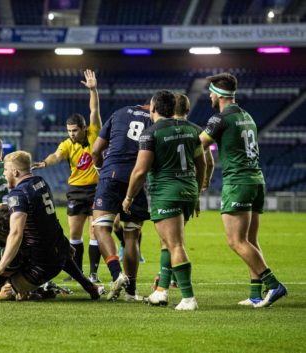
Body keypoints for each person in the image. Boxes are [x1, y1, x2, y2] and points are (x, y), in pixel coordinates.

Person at [199, 73, 287, 308]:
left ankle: (273, 284)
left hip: (238, 182)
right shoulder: (246, 116)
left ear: (218, 94)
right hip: (256, 181)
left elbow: (199, 145)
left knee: (236, 241)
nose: (208, 94)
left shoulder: (220, 118)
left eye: (211, 91)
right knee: (250, 240)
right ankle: (256, 294)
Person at [123, 90, 206, 311]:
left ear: (154, 108)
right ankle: (160, 291)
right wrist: (197, 193)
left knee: (175, 244)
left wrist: (129, 197)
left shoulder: (151, 133)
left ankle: (188, 298)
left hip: (166, 194)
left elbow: (140, 171)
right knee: (169, 242)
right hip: (188, 192)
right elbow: (203, 165)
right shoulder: (193, 130)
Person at [0, 151, 102, 300]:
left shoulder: (18, 195)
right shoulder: (40, 182)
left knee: (1, 288)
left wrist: (0, 267)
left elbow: (16, 233)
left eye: (6, 170)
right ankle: (89, 286)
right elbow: (48, 220)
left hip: (42, 265)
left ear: (15, 171)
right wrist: (65, 244)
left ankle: (36, 292)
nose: (4, 174)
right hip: (60, 251)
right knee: (54, 250)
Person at [31, 69, 102, 283]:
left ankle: (94, 273)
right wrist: (44, 162)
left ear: (83, 128)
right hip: (76, 191)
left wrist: (93, 90)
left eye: (74, 130)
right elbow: (57, 155)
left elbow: (94, 110)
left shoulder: (93, 133)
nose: (71, 134)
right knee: (74, 234)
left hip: (96, 188)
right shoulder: (67, 144)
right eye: (69, 130)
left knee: (95, 232)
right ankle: (78, 273)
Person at [91, 100, 152, 301]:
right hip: (137, 178)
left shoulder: (118, 113)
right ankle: (131, 291)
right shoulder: (155, 119)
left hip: (112, 175)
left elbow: (96, 150)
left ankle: (117, 274)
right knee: (132, 235)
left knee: (101, 227)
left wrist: (101, 170)